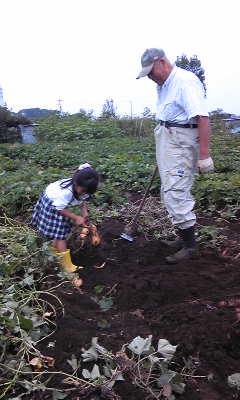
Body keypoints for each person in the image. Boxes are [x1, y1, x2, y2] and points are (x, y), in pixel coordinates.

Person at [136, 48, 214, 264]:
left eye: (151, 72)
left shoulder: (184, 81)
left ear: (161, 62)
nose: (150, 77)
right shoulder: (164, 85)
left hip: (181, 141)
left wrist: (204, 155)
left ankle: (190, 246)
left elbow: (202, 118)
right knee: (167, 190)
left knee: (176, 191)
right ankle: (182, 238)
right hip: (169, 139)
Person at [31, 163, 99, 272]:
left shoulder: (82, 188)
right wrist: (76, 218)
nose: (84, 194)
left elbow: (83, 200)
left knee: (58, 233)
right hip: (52, 205)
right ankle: (67, 266)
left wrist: (84, 212)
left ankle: (54, 253)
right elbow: (59, 208)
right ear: (76, 183)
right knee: (60, 236)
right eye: (82, 191)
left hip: (58, 205)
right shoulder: (66, 192)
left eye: (86, 192)